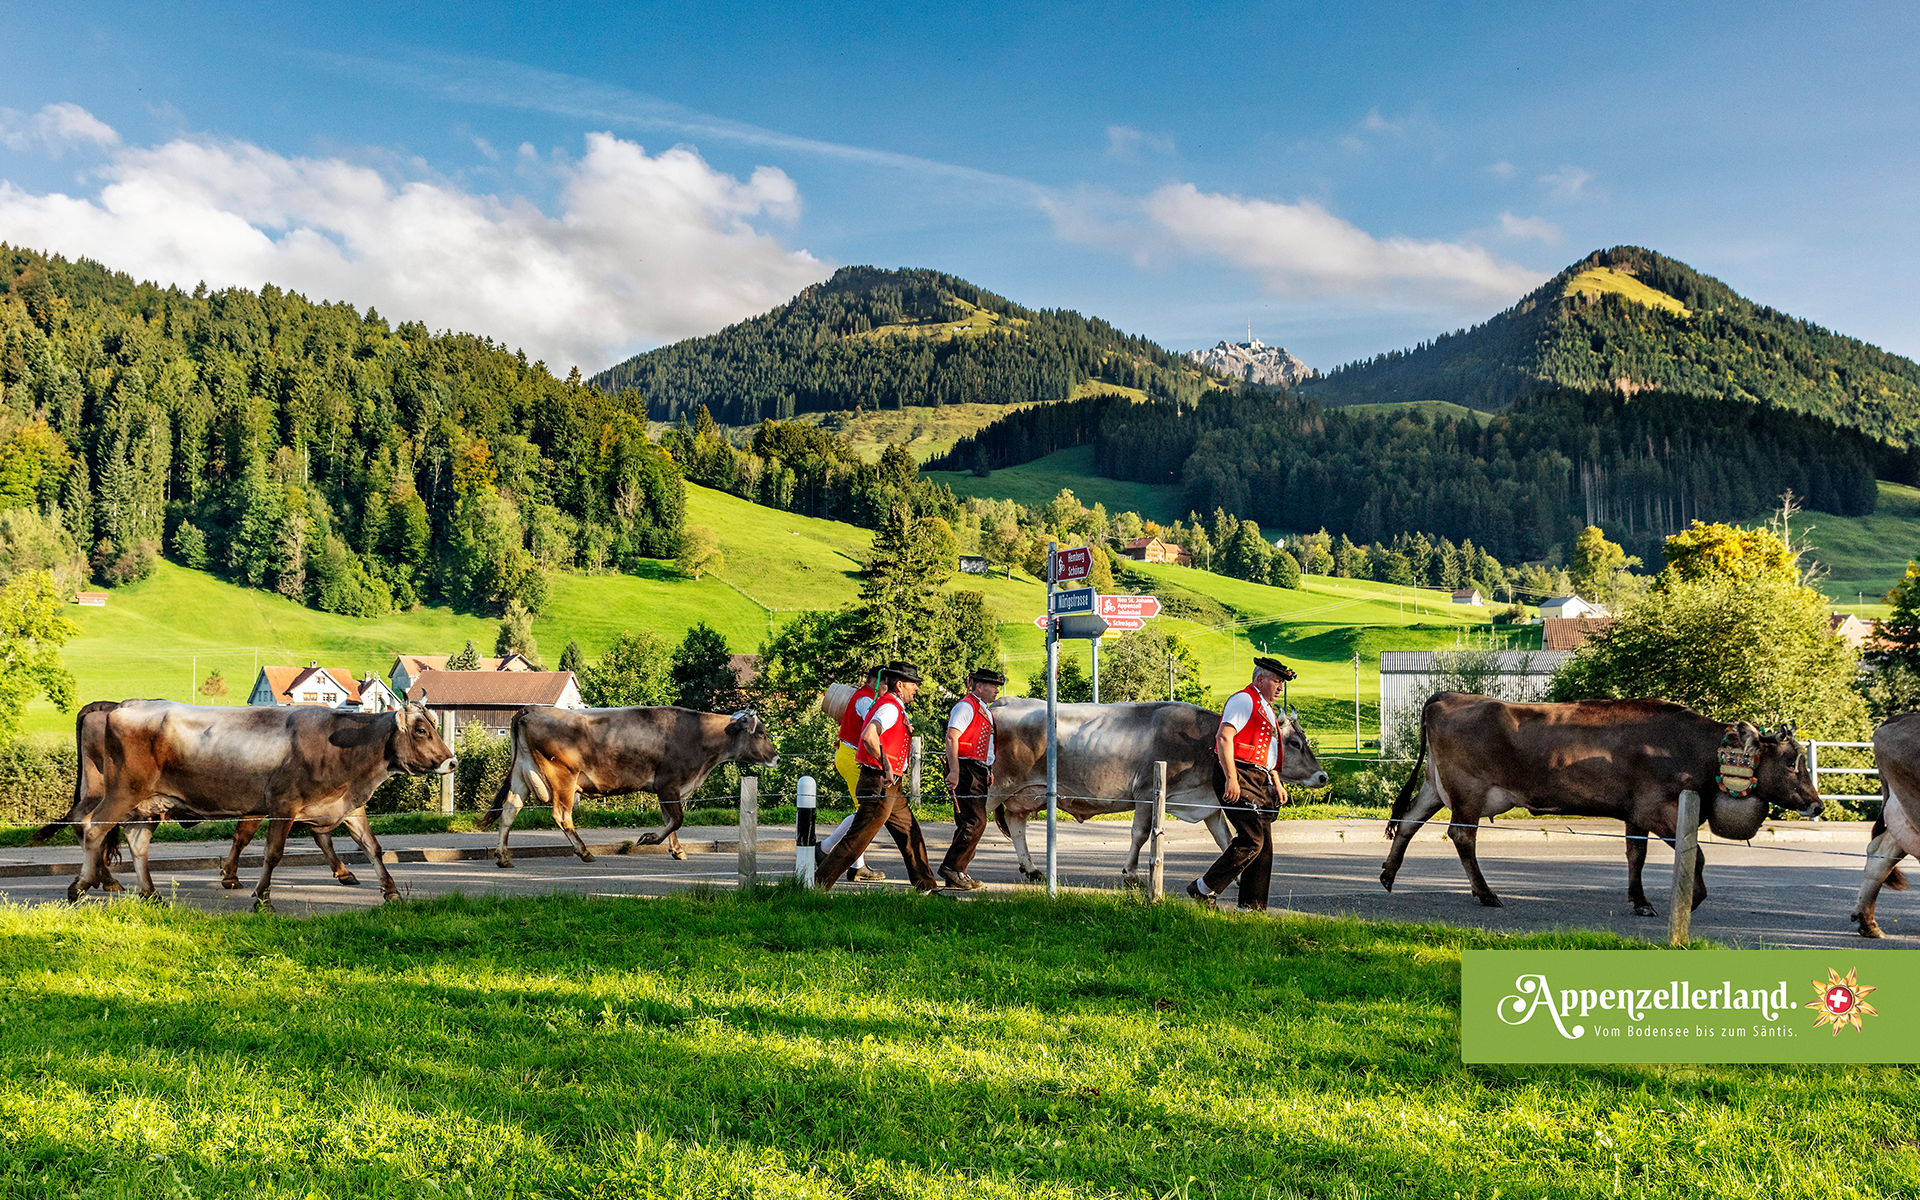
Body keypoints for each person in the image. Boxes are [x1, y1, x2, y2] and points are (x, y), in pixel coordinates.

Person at [814, 661, 941, 894]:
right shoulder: (890, 708)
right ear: (900, 685)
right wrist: (886, 765)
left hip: (889, 785)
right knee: (855, 841)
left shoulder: (890, 705)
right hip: (879, 783)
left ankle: (927, 889)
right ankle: (816, 887)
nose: (916, 688)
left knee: (910, 833)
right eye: (913, 683)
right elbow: (869, 735)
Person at [1187, 656, 1296, 913]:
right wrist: (1231, 778)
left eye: (1282, 682)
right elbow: (1224, 738)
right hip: (1238, 773)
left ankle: (1251, 908)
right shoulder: (1244, 700)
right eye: (1276, 681)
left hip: (1258, 778)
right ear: (1260, 679)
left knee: (1263, 846)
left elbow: (1267, 752)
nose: (1280, 687)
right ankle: (1203, 888)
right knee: (1252, 838)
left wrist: (1276, 782)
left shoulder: (1266, 708)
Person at [938, 666, 1005, 890]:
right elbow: (952, 738)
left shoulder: (981, 708)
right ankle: (951, 867)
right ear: (980, 687)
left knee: (970, 822)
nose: (997, 690)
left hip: (977, 770)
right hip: (966, 769)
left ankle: (958, 872)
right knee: (974, 821)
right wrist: (954, 771)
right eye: (993, 685)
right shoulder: (966, 707)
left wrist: (988, 770)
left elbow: (986, 744)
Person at [820, 665, 885, 882]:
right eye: (886, 682)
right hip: (852, 757)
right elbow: (875, 731)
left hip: (849, 754)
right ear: (876, 682)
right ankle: (844, 859)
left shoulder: (864, 696)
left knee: (863, 811)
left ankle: (831, 851)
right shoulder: (866, 700)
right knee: (865, 811)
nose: (888, 687)